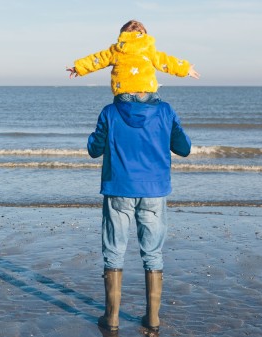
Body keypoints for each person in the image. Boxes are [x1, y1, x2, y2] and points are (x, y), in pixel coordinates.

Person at [86, 92, 192, 333]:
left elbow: (94, 149)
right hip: (154, 189)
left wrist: (101, 135)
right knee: (152, 252)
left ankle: (112, 317)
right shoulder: (165, 111)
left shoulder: (110, 112)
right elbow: (184, 148)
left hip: (119, 187)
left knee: (114, 250)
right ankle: (153, 318)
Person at [67, 20, 199, 103]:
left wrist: (78, 68)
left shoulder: (116, 50)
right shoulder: (148, 49)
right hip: (146, 93)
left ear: (122, 34)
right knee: (156, 110)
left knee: (120, 113)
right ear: (144, 34)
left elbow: (97, 59)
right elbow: (166, 62)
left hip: (124, 94)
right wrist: (186, 69)